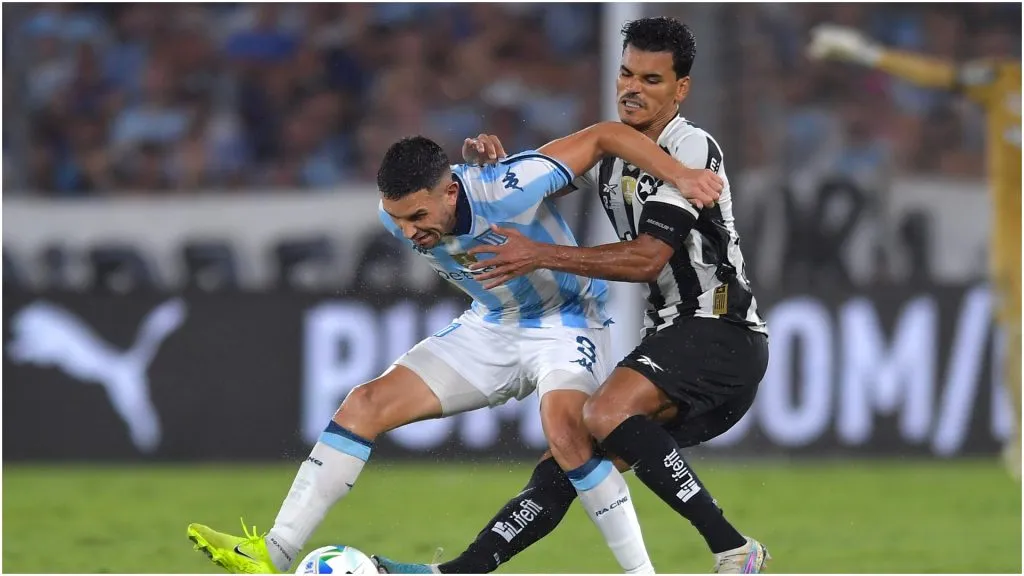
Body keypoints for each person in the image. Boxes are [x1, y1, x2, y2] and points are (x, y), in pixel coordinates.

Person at [185, 118, 723, 574]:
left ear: (451, 191)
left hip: (567, 322)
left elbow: (606, 135)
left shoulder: (506, 186)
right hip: (492, 326)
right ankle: (273, 555)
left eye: (418, 217)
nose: (410, 231)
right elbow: (414, 219)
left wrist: (680, 174)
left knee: (567, 434)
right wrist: (410, 219)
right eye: (397, 219)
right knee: (362, 405)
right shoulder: (398, 214)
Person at [374, 16, 770, 575]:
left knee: (603, 411)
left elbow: (645, 259)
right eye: (626, 73)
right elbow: (533, 183)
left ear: (681, 89)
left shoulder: (690, 149)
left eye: (652, 80)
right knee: (569, 458)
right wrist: (490, 173)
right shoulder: (613, 154)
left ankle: (734, 548)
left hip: (720, 333)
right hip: (676, 339)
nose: (632, 88)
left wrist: (540, 255)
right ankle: (459, 572)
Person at [807, 23, 1022, 479]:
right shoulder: (1002, 81)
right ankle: (1022, 437)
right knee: (1018, 340)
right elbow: (938, 76)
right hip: (1015, 241)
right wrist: (869, 54)